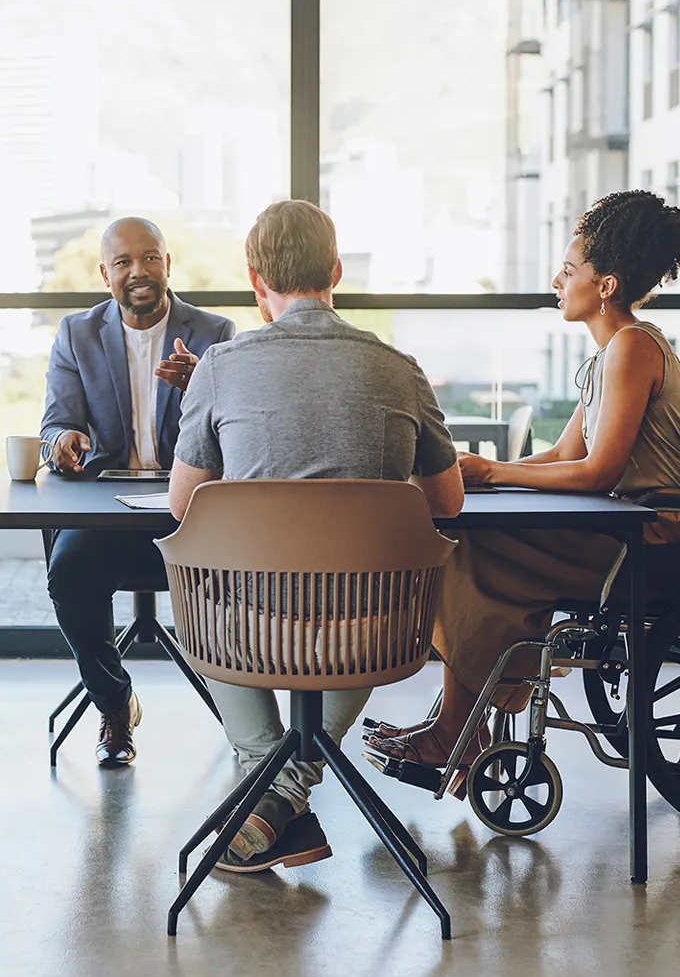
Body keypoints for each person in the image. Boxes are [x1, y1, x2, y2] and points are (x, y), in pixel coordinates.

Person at [364, 190, 680, 782]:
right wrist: (485, 474)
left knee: (473, 547)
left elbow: (598, 472)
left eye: (570, 270)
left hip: (654, 537)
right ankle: (459, 725)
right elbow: (562, 455)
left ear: (607, 286)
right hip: (629, 524)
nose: (557, 279)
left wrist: (495, 473)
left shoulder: (631, 347)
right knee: (473, 536)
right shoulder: (612, 354)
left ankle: (458, 732)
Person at [167, 199, 467, 873]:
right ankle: (284, 793)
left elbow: (185, 505)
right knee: (373, 585)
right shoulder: (400, 368)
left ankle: (266, 780)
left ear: (254, 280)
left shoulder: (220, 366)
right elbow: (447, 501)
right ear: (335, 270)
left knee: (196, 571)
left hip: (247, 630)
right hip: (374, 631)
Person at [39, 217, 236, 766]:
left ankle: (247, 717)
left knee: (242, 569)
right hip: (108, 508)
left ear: (168, 264)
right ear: (106, 274)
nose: (139, 272)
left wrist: (204, 385)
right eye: (124, 262)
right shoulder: (77, 334)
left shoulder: (214, 334)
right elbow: (54, 423)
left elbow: (242, 430)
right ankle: (114, 702)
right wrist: (63, 440)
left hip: (190, 507)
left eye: (150, 258)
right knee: (68, 571)